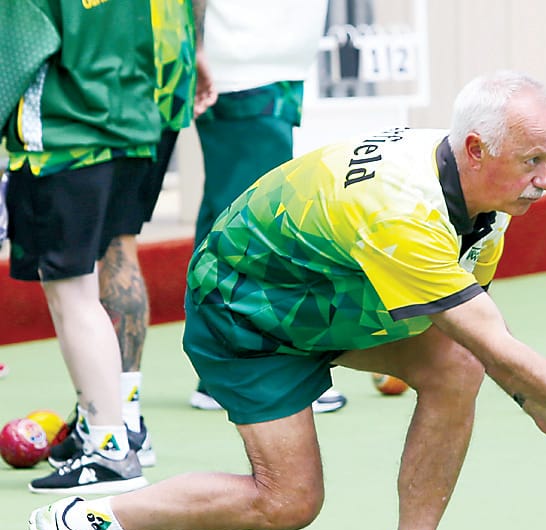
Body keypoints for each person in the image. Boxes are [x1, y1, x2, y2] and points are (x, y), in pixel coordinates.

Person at [28, 71, 546, 530]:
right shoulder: (402, 208)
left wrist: (535, 402)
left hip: (335, 296)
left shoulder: (486, 200)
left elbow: (478, 333)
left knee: (457, 364)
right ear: (478, 148)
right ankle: (89, 522)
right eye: (532, 161)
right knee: (288, 501)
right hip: (246, 308)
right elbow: (492, 337)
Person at [45, 0, 212, 472]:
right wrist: (194, 47)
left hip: (93, 83)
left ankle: (110, 429)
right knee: (119, 244)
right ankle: (123, 417)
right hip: (159, 75)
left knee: (89, 261)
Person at [5, 0, 162, 494]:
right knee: (89, 284)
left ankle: (108, 449)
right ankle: (107, 432)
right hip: (130, 131)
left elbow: (14, 56)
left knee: (72, 296)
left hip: (65, 139)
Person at [188, 0, 346, 414]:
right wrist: (196, 45)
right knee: (245, 221)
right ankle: (227, 370)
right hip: (239, 63)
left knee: (247, 214)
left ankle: (225, 367)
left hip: (278, 59)